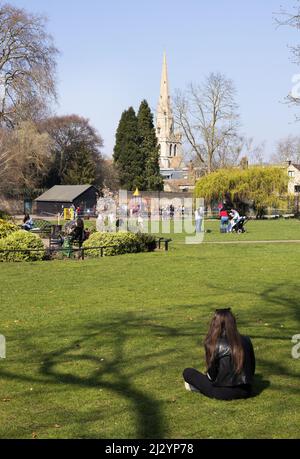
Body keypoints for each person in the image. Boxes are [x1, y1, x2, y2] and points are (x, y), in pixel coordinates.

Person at [183, 309, 256, 401]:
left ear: (215, 324)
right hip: (247, 390)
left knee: (188, 372)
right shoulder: (246, 340)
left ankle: (196, 387)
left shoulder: (213, 343)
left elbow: (212, 377)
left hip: (223, 392)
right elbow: (252, 368)